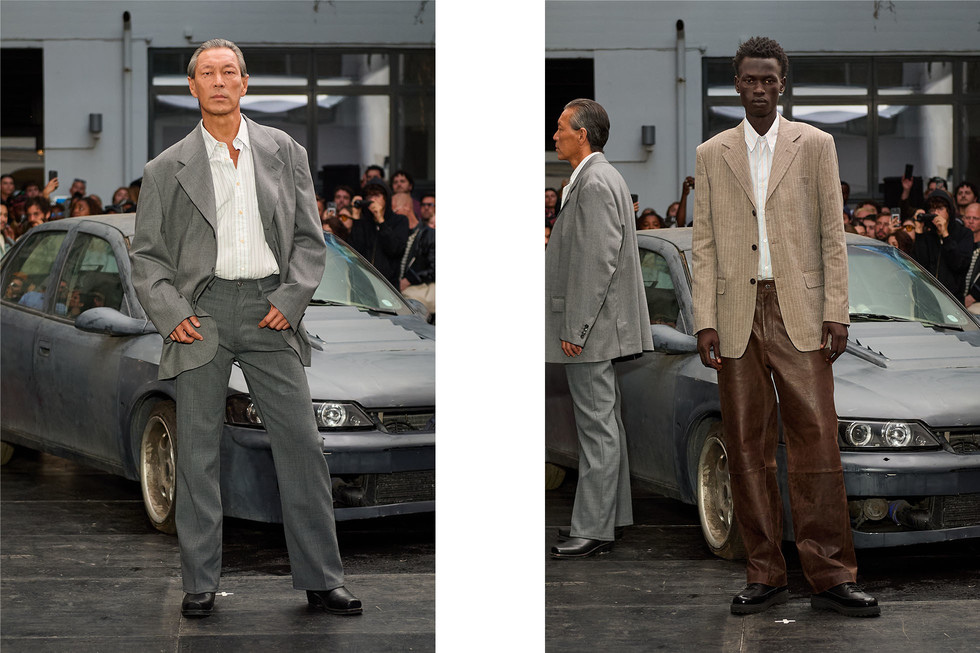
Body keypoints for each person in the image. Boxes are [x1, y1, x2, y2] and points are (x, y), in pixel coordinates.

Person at [130, 38, 360, 620]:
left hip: (269, 310)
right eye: (207, 73)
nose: (218, 81)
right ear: (192, 87)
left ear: (244, 82)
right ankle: (200, 582)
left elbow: (310, 238)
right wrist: (173, 313)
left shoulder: (283, 150)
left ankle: (322, 579)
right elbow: (148, 258)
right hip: (200, 316)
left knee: (302, 446)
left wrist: (293, 297)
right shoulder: (164, 168)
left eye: (228, 71)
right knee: (199, 453)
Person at [692, 36, 878, 617]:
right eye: (750, 80)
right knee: (746, 446)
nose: (760, 89)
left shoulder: (816, 144)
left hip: (801, 312)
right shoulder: (712, 153)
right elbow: (704, 244)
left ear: (782, 83)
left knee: (816, 442)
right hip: (735, 315)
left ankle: (832, 575)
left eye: (769, 79)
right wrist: (704, 320)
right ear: (737, 85)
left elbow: (831, 234)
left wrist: (836, 310)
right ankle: (765, 573)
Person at [546, 98, 653, 559]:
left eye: (560, 127)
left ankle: (592, 529)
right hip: (599, 327)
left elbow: (595, 263)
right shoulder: (600, 177)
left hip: (589, 330)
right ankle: (610, 519)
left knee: (597, 430)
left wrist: (577, 327)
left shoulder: (592, 181)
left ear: (582, 134)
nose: (554, 135)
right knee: (606, 426)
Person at [911, 189, 974, 298]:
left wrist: (945, 235)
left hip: (952, 298)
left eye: (940, 209)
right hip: (927, 296)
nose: (936, 213)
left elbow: (959, 265)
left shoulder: (964, 233)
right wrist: (919, 232)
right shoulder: (927, 236)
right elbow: (919, 266)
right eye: (932, 210)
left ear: (949, 211)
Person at [348, 179, 409, 287]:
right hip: (363, 284)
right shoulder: (363, 223)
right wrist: (356, 217)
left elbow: (395, 249)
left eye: (377, 195)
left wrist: (381, 221)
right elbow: (354, 251)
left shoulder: (400, 220)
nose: (372, 199)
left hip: (388, 285)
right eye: (369, 196)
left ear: (386, 198)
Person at [393, 193, 435, 317]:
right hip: (399, 294)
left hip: (418, 296)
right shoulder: (399, 234)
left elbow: (435, 268)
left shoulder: (428, 234)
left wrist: (410, 279)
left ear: (406, 207)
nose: (393, 215)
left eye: (395, 210)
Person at [959, 202, 980, 309]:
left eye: (975, 218)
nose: (971, 221)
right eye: (968, 218)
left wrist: (973, 296)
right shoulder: (957, 242)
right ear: (963, 219)